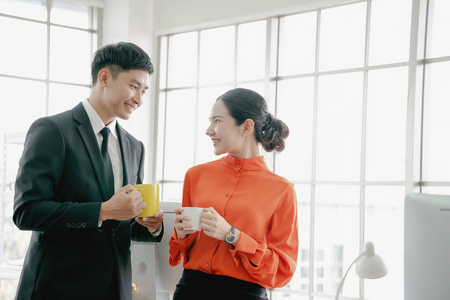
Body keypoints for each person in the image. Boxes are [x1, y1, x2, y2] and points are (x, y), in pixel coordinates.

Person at [13, 42, 164, 300]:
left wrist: (149, 226)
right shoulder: (53, 131)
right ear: (104, 77)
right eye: (133, 86)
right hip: (57, 288)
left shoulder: (134, 147)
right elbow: (26, 212)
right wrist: (103, 210)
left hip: (116, 289)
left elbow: (122, 225)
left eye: (144, 91)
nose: (139, 99)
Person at [169, 88, 299, 300]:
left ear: (246, 126)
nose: (209, 130)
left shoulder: (282, 190)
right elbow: (184, 250)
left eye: (217, 121)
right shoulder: (195, 176)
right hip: (190, 289)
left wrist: (233, 236)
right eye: (210, 121)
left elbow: (282, 269)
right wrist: (182, 235)